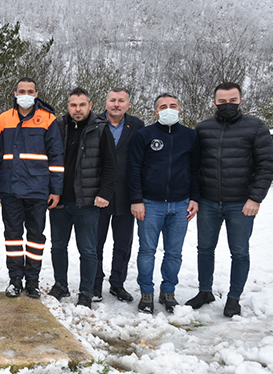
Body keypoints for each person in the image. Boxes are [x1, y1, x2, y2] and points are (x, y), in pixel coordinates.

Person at [188, 82, 273, 317]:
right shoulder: (203, 128)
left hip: (241, 203)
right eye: (223, 101)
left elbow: (267, 165)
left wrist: (255, 197)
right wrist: (195, 196)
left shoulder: (256, 127)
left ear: (241, 101)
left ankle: (234, 297)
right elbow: (194, 166)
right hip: (208, 201)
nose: (228, 105)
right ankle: (204, 291)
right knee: (204, 249)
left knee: (239, 252)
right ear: (214, 102)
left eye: (233, 101)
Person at [128, 93, 199, 314]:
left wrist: (194, 198)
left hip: (180, 205)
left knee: (174, 253)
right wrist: (136, 200)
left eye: (173, 105)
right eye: (163, 106)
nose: (168, 109)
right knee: (147, 251)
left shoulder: (190, 136)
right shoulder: (144, 135)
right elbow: (134, 169)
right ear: (155, 111)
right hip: (150, 204)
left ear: (179, 109)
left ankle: (168, 292)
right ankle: (146, 293)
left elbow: (196, 169)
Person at [0, 77, 64, 299]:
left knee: (35, 237)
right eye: (21, 90)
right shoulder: (3, 119)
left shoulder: (48, 119)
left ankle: (32, 280)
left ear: (36, 93)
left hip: (38, 189)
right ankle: (15, 279)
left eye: (30, 91)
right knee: (12, 236)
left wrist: (56, 189)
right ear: (15, 93)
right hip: (10, 188)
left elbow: (56, 156)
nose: (25, 94)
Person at [50, 88, 116, 309]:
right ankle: (61, 284)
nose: (77, 109)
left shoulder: (100, 128)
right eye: (73, 105)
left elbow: (110, 164)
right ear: (67, 106)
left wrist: (104, 193)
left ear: (90, 105)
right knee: (58, 246)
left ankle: (86, 291)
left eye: (82, 105)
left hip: (87, 202)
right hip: (59, 200)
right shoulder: (59, 127)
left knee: (88, 249)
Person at [94, 88, 144, 303]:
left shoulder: (138, 126)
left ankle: (117, 284)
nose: (116, 104)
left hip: (126, 194)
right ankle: (95, 283)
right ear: (105, 102)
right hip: (98, 194)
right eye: (112, 100)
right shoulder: (94, 122)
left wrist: (138, 196)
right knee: (95, 243)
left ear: (128, 105)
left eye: (121, 101)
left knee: (123, 244)